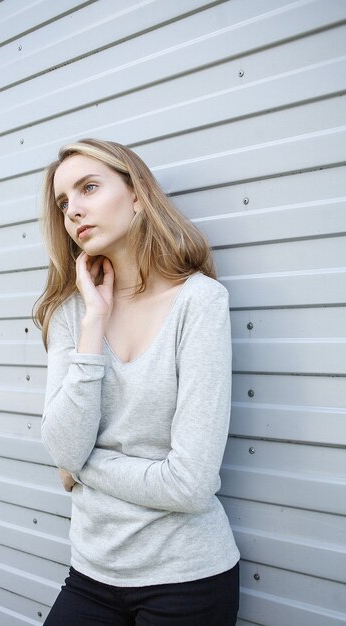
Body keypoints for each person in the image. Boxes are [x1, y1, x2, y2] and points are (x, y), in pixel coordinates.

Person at [33, 137, 240, 625]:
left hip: (187, 578)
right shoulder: (71, 313)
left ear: (138, 194)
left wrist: (82, 468)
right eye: (64, 203)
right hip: (90, 572)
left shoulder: (199, 302)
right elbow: (64, 445)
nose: (74, 211)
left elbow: (189, 485)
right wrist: (93, 325)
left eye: (88, 188)